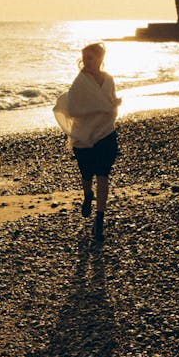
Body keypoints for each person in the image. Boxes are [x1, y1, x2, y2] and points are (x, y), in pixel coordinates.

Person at [53, 42, 121, 240]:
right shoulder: (80, 82)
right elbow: (73, 110)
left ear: (100, 58)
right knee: (87, 175)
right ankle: (87, 196)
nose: (86, 62)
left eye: (90, 58)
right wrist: (99, 108)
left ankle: (99, 218)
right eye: (84, 58)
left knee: (103, 174)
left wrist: (111, 107)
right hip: (83, 136)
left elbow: (111, 102)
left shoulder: (109, 79)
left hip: (106, 132)